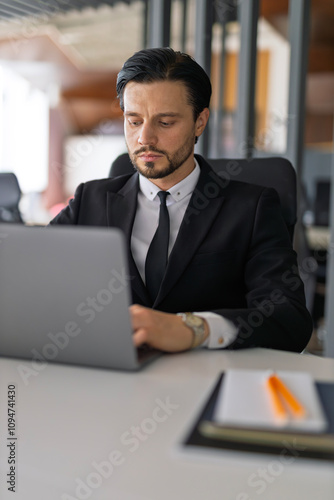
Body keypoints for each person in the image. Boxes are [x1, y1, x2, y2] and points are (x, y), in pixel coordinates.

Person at [49, 47, 313, 353]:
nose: (145, 138)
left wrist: (194, 329)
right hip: (110, 376)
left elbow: (289, 319)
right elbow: (31, 280)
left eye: (165, 122)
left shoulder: (252, 208)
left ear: (200, 122)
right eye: (134, 121)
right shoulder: (88, 200)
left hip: (208, 381)